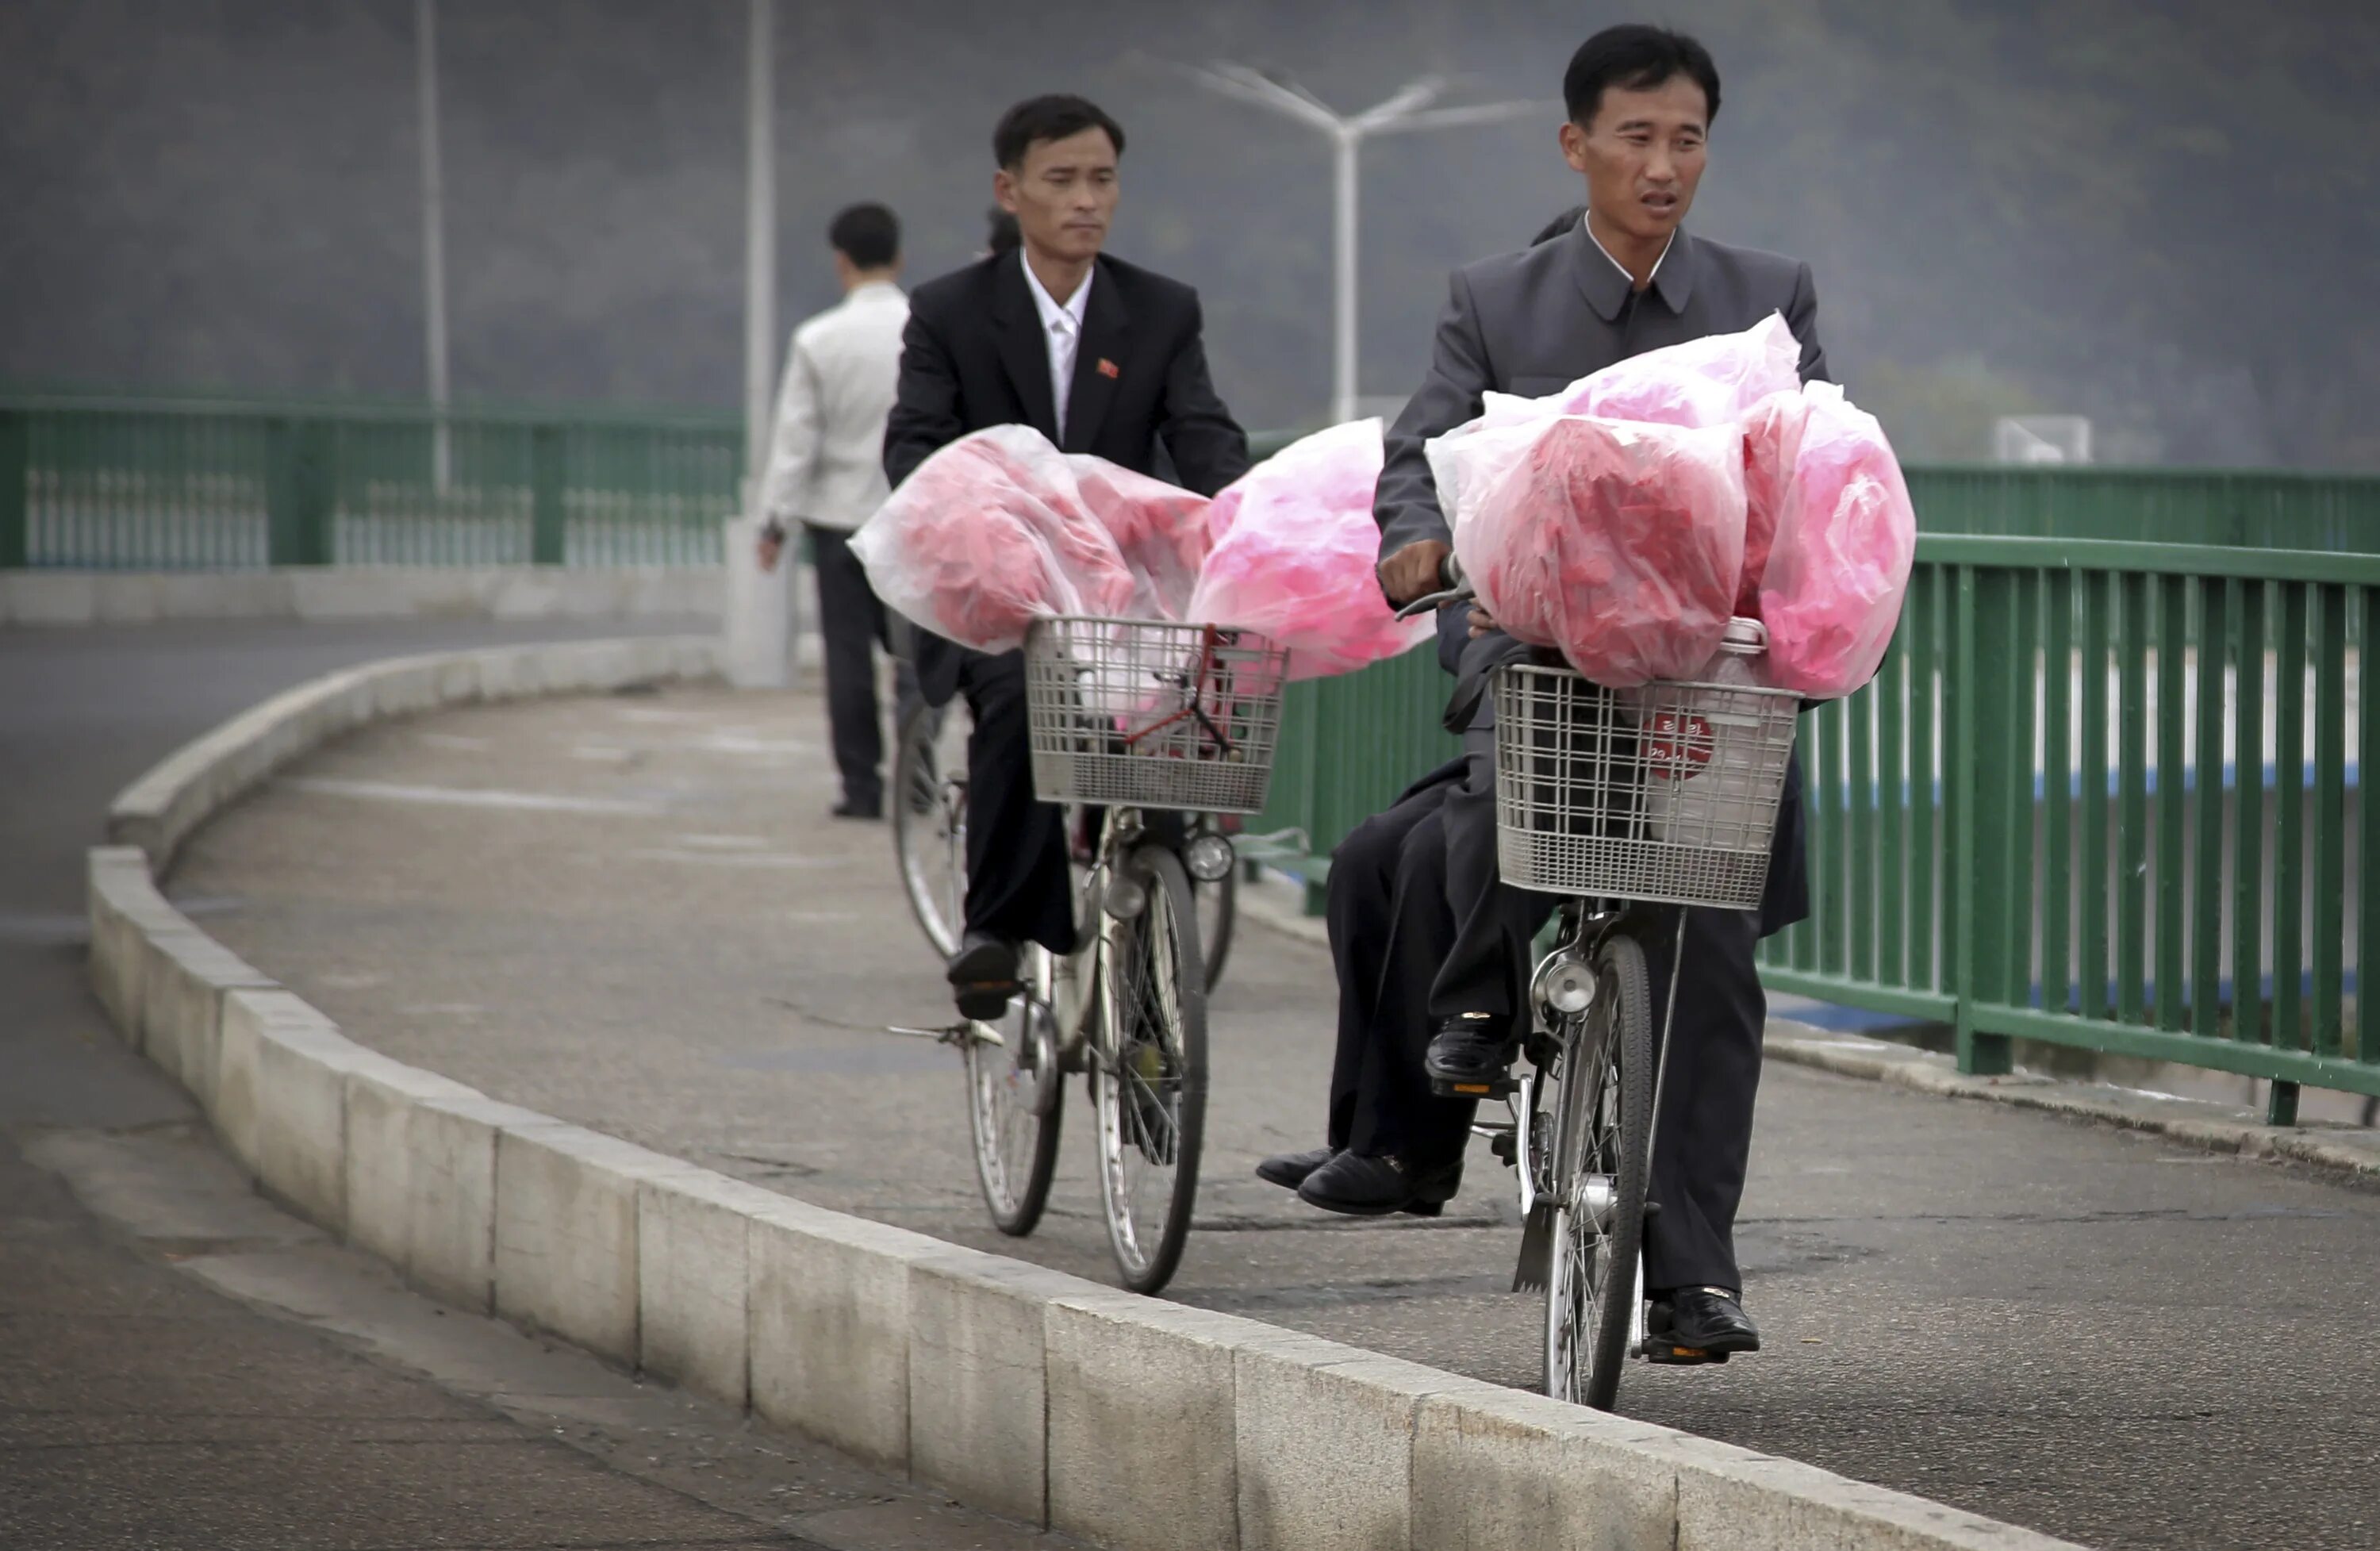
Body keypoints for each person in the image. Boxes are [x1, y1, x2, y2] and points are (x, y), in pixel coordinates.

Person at [1264, 24, 1829, 1360]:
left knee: (1711, 956)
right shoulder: (1496, 300)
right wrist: (1416, 537)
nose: (1663, 164)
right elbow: (1422, 451)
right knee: (1488, 797)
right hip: (1545, 655)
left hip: (1699, 678)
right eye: (1635, 136)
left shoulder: (1766, 299)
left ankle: (1693, 1281)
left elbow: (1815, 461)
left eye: (1686, 137)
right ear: (1575, 145)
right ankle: (1471, 1017)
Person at [883, 94, 1250, 1019]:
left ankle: (1152, 1008)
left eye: (1102, 179)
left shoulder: (1160, 310)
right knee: (1015, 695)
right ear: (1011, 192)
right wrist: (984, 517)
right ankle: (998, 930)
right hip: (993, 589)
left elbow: (1199, 431)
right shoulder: (949, 312)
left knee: (1172, 728)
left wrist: (1244, 513)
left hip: (1118, 589)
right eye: (1062, 180)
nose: (1086, 200)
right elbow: (914, 446)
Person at [757, 202, 918, 820]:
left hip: (838, 525)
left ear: (841, 261)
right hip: (907, 523)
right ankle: (919, 778)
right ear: (898, 257)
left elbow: (796, 441)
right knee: (911, 657)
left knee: (847, 657)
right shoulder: (925, 330)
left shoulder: (817, 339)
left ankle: (862, 787)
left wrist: (775, 521)